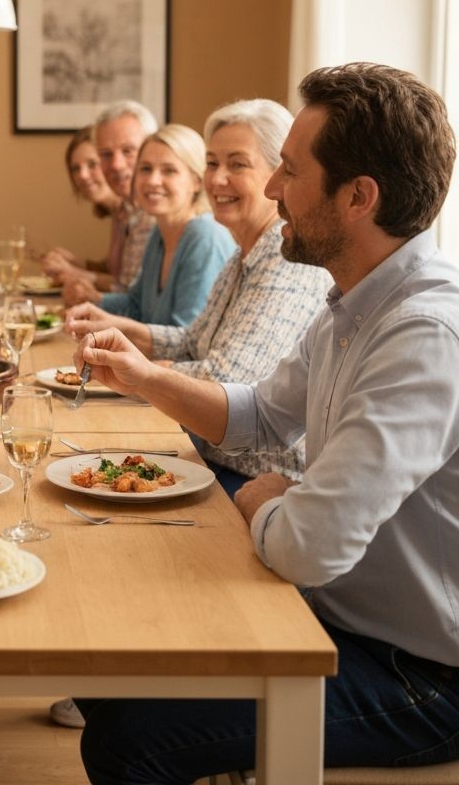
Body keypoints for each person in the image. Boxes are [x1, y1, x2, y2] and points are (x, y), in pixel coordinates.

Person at [71, 63, 459, 783]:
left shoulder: (425, 335)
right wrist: (145, 377)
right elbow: (262, 415)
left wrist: (252, 496)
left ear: (358, 198)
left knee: (128, 738)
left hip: (421, 676)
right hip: (334, 616)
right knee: (107, 650)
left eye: (289, 171)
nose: (274, 192)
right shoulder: (354, 302)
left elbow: (309, 546)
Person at [66, 99, 331, 492]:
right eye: (212, 163)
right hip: (206, 455)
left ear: (279, 173)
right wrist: (119, 335)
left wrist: (138, 371)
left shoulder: (285, 260)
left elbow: (225, 380)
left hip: (255, 478)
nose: (218, 179)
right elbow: (191, 340)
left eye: (237, 164)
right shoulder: (243, 255)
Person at [90, 123, 235, 326]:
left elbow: (186, 337)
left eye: (169, 171)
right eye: (146, 169)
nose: (153, 180)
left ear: (196, 181)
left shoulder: (205, 237)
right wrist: (92, 302)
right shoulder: (159, 231)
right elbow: (136, 304)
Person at [62, 101, 158, 306]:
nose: (116, 164)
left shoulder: (155, 215)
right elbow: (126, 285)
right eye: (106, 154)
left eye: (128, 150)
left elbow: (132, 295)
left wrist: (82, 280)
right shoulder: (128, 210)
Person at [40, 126, 122, 294]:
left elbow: (128, 286)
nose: (82, 175)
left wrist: (74, 272)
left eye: (92, 164)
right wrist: (77, 262)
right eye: (75, 168)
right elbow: (113, 268)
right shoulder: (118, 215)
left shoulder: (137, 215)